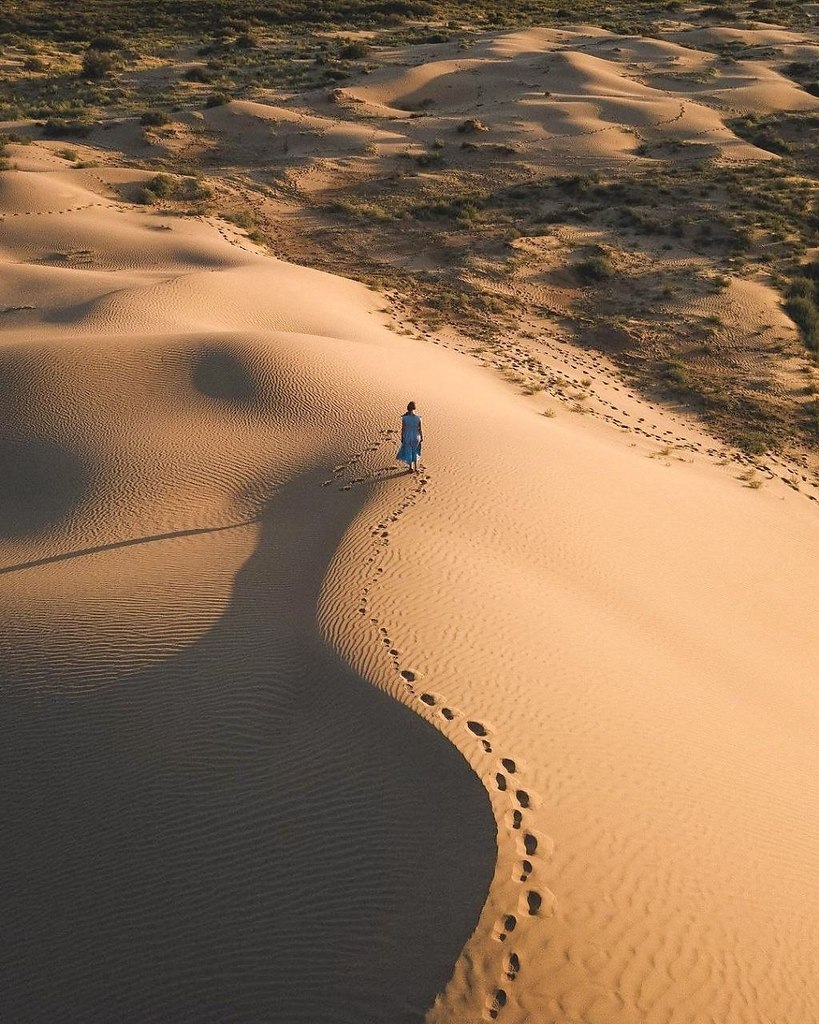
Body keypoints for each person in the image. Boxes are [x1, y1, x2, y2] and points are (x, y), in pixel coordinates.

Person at [396, 401, 423, 473]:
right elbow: (420, 428)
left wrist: (402, 437)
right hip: (416, 436)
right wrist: (421, 437)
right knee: (415, 451)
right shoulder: (418, 418)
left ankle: (410, 467)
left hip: (407, 436)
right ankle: (416, 467)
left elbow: (403, 429)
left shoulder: (404, 418)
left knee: (409, 451)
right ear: (414, 408)